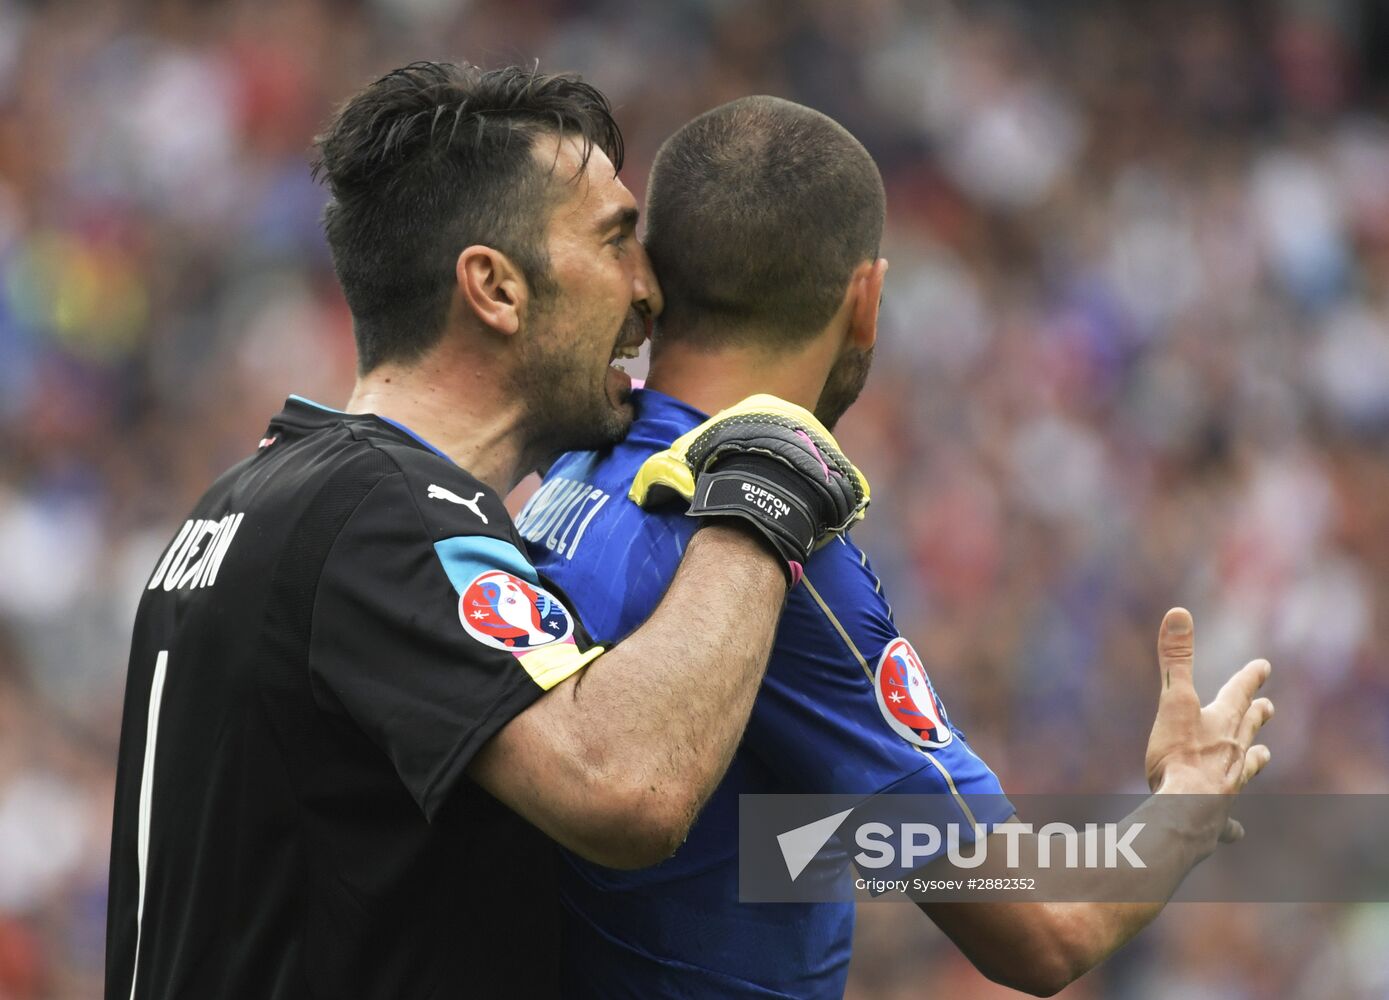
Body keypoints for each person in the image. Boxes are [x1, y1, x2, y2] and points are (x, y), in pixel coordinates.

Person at [104, 65, 872, 1000]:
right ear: (495, 288)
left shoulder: (251, 499)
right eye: (616, 239)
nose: (650, 287)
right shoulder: (383, 522)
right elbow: (626, 787)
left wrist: (819, 849)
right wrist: (761, 508)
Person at [523, 96, 1275, 998]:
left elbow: (711, 835)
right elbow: (1040, 932)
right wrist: (1187, 803)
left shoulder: (573, 464)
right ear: (866, 298)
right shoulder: (763, 551)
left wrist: (861, 840)